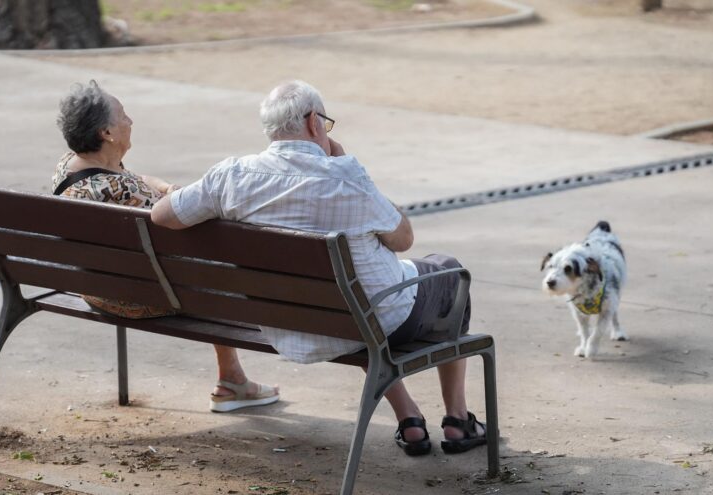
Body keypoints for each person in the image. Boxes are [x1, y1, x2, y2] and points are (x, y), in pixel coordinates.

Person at [150, 80, 486, 456]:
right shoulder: (346, 178)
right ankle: (457, 420)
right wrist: (349, 168)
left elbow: (162, 216)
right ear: (314, 122)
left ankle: (408, 418)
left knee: (352, 294)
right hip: (372, 320)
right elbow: (403, 238)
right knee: (449, 274)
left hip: (292, 322)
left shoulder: (231, 176)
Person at [52, 80, 278, 413]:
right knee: (217, 265)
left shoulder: (74, 167)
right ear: (107, 134)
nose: (130, 121)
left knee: (201, 265)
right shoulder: (123, 191)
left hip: (96, 287)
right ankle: (232, 381)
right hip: (142, 297)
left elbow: (137, 180)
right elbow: (179, 219)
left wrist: (167, 188)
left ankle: (232, 376)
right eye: (123, 116)